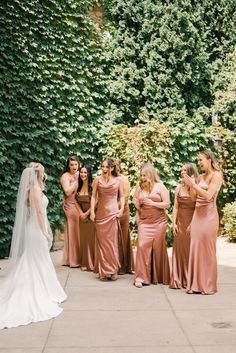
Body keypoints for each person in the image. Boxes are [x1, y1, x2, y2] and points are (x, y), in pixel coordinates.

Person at [0, 162, 66, 329]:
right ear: (38, 174)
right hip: (35, 230)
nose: (44, 175)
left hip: (34, 228)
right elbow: (38, 212)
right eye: (43, 172)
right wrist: (45, 232)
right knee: (37, 259)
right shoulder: (35, 190)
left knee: (35, 260)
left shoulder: (33, 189)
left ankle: (45, 287)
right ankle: (38, 290)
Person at [183, 150, 223, 295]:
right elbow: (194, 199)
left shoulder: (216, 176)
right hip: (197, 215)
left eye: (201, 160)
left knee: (207, 249)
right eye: (198, 161)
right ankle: (195, 285)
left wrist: (193, 185)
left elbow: (207, 196)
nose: (199, 163)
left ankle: (208, 285)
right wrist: (190, 185)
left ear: (209, 159)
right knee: (196, 248)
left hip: (209, 216)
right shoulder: (200, 177)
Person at [133, 163, 170, 288]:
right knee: (142, 246)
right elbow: (136, 202)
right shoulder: (139, 187)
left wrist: (152, 203)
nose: (142, 177)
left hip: (159, 222)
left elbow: (167, 204)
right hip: (145, 222)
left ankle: (157, 276)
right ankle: (140, 277)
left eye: (144, 175)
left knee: (158, 248)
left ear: (150, 174)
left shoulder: (160, 186)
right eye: (141, 175)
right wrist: (138, 210)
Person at [90, 158, 125, 281]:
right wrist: (92, 211)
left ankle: (113, 270)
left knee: (112, 243)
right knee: (102, 244)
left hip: (113, 214)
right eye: (102, 167)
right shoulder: (97, 180)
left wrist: (121, 210)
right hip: (101, 214)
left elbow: (122, 197)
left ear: (111, 168)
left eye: (106, 167)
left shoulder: (117, 181)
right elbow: (93, 196)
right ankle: (104, 271)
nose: (104, 169)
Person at [169, 163, 198, 289]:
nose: (182, 172)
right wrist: (173, 223)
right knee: (179, 250)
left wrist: (192, 224)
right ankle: (178, 278)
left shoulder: (196, 187)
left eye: (185, 170)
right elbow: (175, 207)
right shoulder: (178, 188)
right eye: (181, 170)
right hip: (180, 223)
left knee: (189, 251)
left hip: (192, 222)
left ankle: (190, 279)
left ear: (191, 172)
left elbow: (198, 208)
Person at [109, 158, 134, 274]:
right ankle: (111, 264)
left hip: (122, 210)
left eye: (114, 166)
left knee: (122, 237)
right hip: (109, 211)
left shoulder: (123, 179)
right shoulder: (108, 178)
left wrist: (115, 207)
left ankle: (123, 265)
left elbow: (126, 195)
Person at [60, 156, 81, 267]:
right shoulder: (65, 176)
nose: (74, 167)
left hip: (80, 205)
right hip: (70, 206)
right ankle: (73, 260)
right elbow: (67, 192)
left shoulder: (80, 174)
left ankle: (81, 258)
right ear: (68, 165)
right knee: (73, 231)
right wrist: (77, 181)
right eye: (72, 164)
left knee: (80, 232)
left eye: (76, 164)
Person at [75, 165, 95, 271]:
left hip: (90, 215)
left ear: (89, 174)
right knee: (83, 240)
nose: (83, 174)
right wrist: (80, 213)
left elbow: (95, 202)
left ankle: (91, 263)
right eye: (82, 172)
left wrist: (86, 213)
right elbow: (75, 200)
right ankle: (84, 262)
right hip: (81, 216)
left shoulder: (93, 186)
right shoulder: (78, 186)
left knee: (90, 240)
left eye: (85, 172)